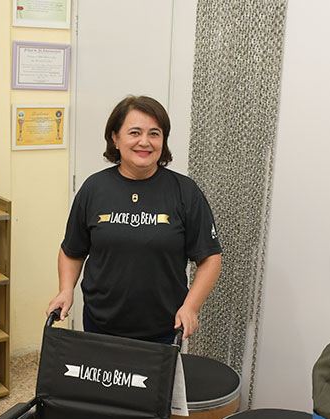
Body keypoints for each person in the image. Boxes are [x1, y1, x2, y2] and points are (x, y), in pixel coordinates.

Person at [47, 95, 222, 343]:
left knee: (154, 384)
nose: (145, 142)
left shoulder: (185, 192)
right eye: (135, 132)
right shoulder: (94, 188)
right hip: (100, 324)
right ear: (115, 138)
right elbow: (72, 250)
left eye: (154, 133)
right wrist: (66, 290)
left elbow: (210, 258)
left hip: (163, 328)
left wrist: (191, 306)